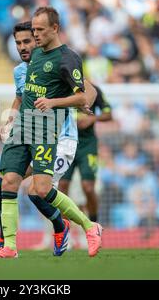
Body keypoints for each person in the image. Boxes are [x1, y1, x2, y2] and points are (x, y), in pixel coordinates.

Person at [0, 6, 103, 259]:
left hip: (54, 134)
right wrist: (9, 121)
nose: (25, 45)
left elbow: (87, 91)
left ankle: (83, 225)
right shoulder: (26, 64)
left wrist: (76, 101)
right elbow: (21, 96)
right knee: (6, 181)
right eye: (20, 42)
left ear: (53, 29)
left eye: (33, 35)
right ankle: (8, 244)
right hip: (23, 128)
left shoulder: (62, 57)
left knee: (40, 190)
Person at [58, 85, 112, 223]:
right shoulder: (59, 86)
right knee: (62, 186)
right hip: (65, 142)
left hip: (87, 145)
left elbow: (108, 114)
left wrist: (92, 119)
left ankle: (94, 223)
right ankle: (64, 230)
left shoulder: (93, 89)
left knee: (88, 187)